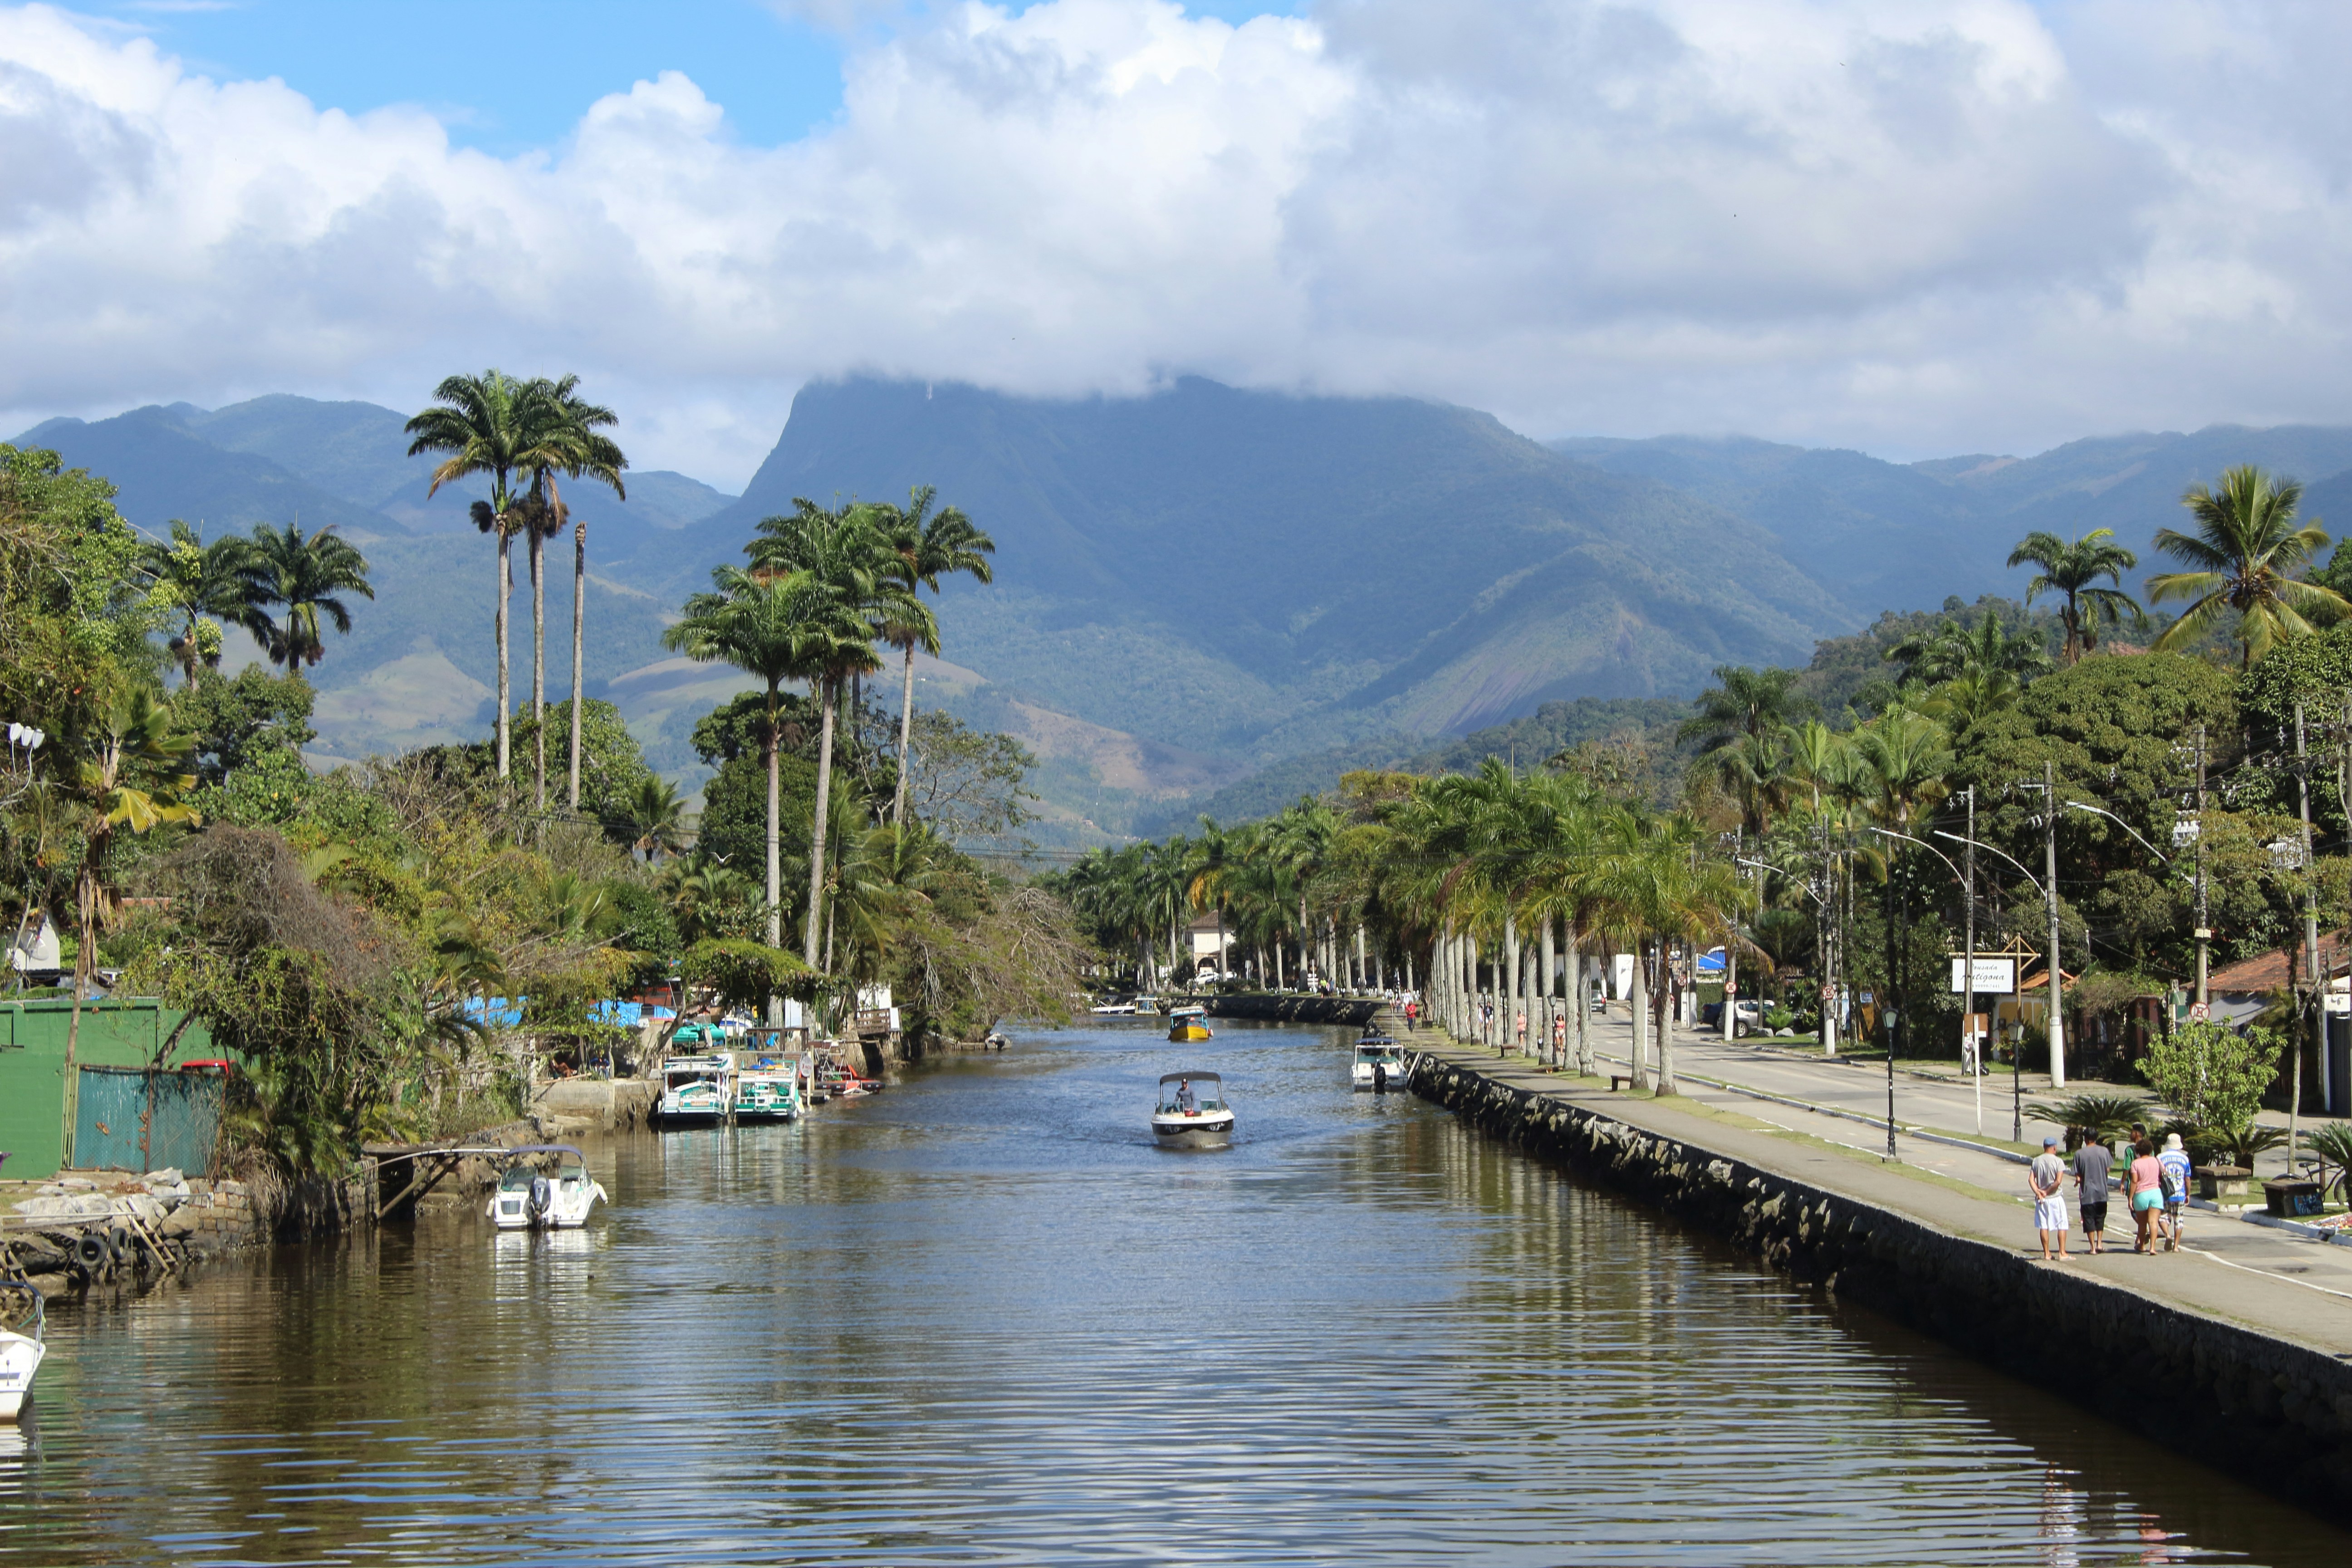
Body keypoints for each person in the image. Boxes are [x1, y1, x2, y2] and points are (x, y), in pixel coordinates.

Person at [2072, 1128, 2112, 1256]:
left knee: (2089, 1219)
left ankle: (2092, 1247)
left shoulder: (2079, 1154)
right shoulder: (2104, 1151)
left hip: (2087, 1193)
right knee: (2100, 1218)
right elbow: (2108, 1169)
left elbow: (2078, 1175)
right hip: (2102, 1191)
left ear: (2086, 1139)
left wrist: (2078, 1181)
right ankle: (2100, 1243)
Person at [2030, 1136, 2070, 1261]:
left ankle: (2047, 1253)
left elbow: (2031, 1179)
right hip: (2055, 1197)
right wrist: (2046, 1192)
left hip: (2042, 1200)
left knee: (2044, 1225)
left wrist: (2038, 1192)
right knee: (2062, 1224)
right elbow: (2058, 1181)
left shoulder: (2037, 1161)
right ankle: (2062, 1252)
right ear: (2054, 1148)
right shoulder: (2058, 1162)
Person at [2158, 1132, 2193, 1252]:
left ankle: (2167, 1235)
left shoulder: (2160, 1157)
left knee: (2163, 1217)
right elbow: (2187, 1179)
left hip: (2165, 1194)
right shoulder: (2185, 1159)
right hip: (2180, 1194)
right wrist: (2188, 1194)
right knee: (2179, 1220)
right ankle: (2176, 1247)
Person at [2127, 1137, 2164, 1252]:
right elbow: (2164, 1173)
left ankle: (2142, 1245)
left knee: (2142, 1224)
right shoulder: (2156, 1161)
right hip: (2156, 1193)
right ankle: (2153, 1248)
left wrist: (2130, 1198)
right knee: (2154, 1221)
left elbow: (2134, 1181)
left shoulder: (2135, 1164)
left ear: (2138, 1151)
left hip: (2141, 1194)